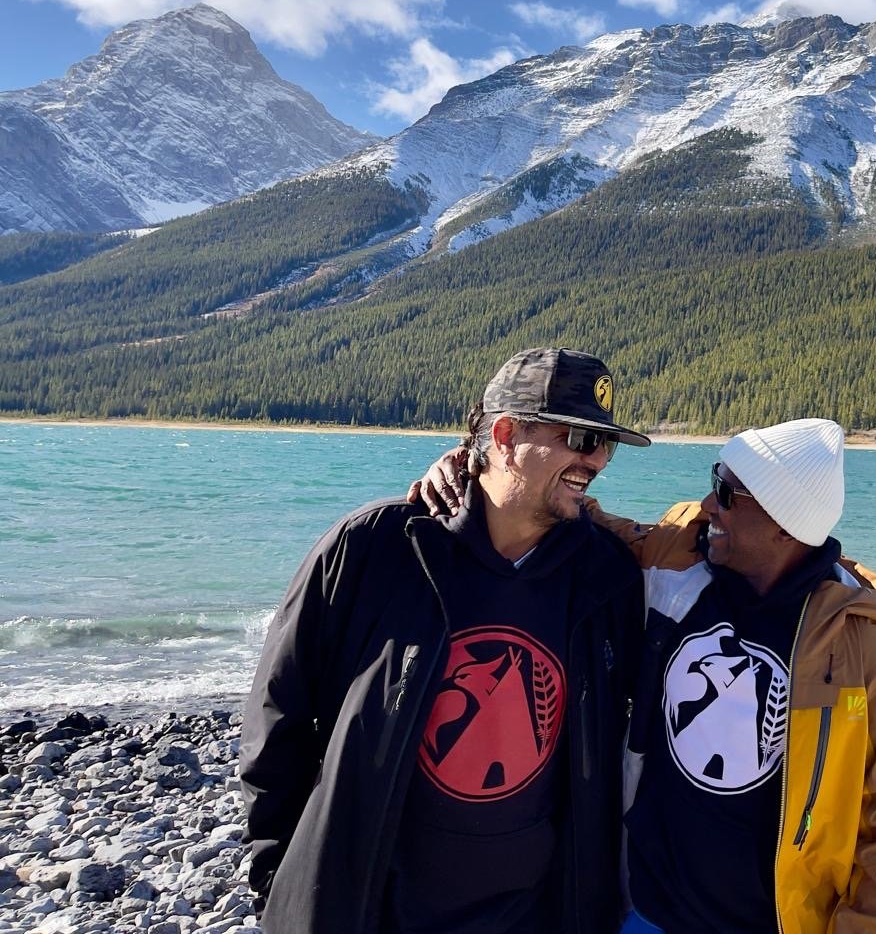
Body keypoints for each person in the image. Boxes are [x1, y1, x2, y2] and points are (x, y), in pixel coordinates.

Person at [416, 417, 876, 934]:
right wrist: (477, 472)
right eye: (714, 482)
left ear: (784, 523)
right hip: (645, 911)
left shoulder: (860, 650)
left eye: (726, 494)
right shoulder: (673, 559)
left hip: (772, 921)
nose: (708, 505)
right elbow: (567, 517)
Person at [241, 347, 649, 934]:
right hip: (375, 914)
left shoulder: (606, 576)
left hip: (537, 916)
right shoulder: (375, 551)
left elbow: (726, 558)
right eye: (582, 438)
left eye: (607, 443)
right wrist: (282, 885)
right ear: (505, 433)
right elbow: (276, 724)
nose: (600, 459)